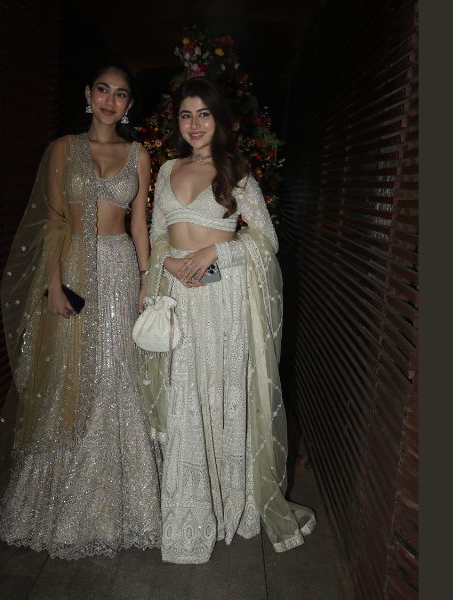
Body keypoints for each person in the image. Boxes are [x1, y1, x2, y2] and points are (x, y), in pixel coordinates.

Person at [142, 77, 316, 564]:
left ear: (219, 120)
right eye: (186, 115)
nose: (195, 124)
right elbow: (157, 234)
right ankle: (188, 513)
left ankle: (229, 506)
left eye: (204, 114)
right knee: (185, 399)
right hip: (179, 296)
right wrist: (168, 261)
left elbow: (266, 240)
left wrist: (216, 252)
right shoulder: (167, 169)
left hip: (222, 301)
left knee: (220, 395)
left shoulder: (236, 173)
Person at [0, 62, 162, 559]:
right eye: (103, 90)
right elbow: (53, 221)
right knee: (69, 378)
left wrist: (146, 284)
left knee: (118, 375)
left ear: (129, 104)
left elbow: (139, 225)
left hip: (121, 269)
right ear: (88, 93)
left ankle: (125, 507)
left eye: (121, 94)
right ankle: (59, 506)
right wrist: (53, 286)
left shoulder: (140, 154)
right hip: (73, 272)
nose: (110, 101)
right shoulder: (63, 149)